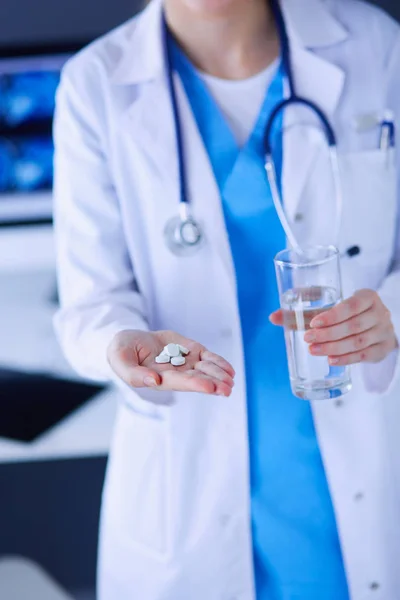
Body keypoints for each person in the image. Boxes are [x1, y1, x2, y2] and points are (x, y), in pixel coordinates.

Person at [53, 0, 400, 598]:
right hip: (187, 492)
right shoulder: (96, 83)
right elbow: (90, 302)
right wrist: (123, 345)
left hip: (362, 466)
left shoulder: (374, 45)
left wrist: (392, 311)